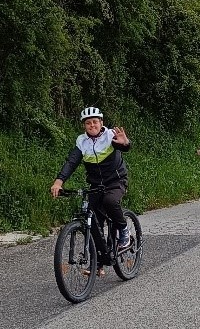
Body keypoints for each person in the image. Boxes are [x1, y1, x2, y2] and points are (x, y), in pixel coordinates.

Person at [50, 107, 131, 277]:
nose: (92, 125)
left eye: (95, 122)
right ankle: (99, 264)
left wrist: (125, 143)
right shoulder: (82, 142)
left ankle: (124, 231)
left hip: (116, 181)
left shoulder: (109, 135)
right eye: (88, 123)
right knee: (93, 222)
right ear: (84, 126)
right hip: (96, 185)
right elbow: (71, 162)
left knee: (110, 201)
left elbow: (123, 147)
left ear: (101, 123)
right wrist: (59, 181)